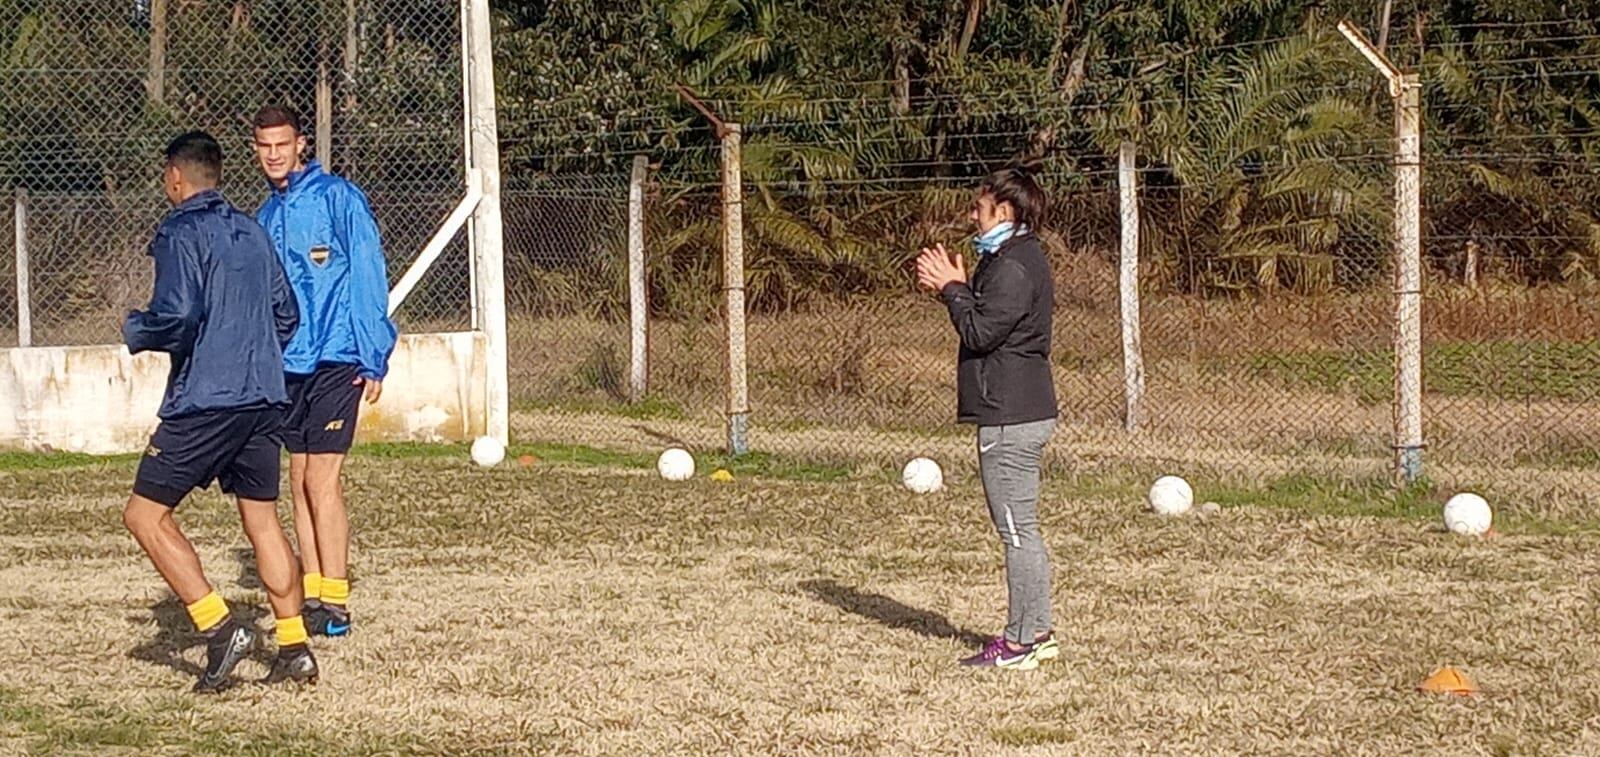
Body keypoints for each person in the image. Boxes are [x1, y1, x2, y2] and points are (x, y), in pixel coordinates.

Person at [122, 131, 316, 692]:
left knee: (144, 515)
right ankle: (294, 645)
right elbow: (287, 314)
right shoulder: (253, 230)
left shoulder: (179, 230)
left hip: (208, 399)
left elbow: (178, 316)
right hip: (264, 395)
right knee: (261, 518)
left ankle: (218, 627)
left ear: (176, 177)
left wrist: (138, 328)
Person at [252, 105, 397, 638]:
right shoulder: (264, 217)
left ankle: (336, 600)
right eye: (264, 146)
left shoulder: (340, 199)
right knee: (297, 478)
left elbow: (367, 272)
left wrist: (372, 351)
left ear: (301, 144)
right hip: (288, 365)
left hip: (338, 355)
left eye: (282, 145)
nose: (274, 155)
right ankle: (312, 593)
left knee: (322, 479)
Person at [914, 167, 1060, 671]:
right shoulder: (1008, 260)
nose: (972, 215)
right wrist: (956, 287)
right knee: (1022, 528)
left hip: (1010, 416)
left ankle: (1022, 641)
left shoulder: (1015, 266)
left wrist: (953, 288)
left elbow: (980, 331)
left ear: (1005, 212)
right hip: (1014, 410)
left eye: (979, 207)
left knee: (1017, 531)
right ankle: (1036, 630)